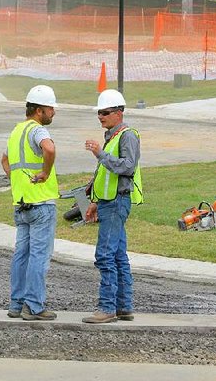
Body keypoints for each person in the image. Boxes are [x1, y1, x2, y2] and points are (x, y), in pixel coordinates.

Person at [82, 88, 143, 324]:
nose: (100, 116)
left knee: (105, 255)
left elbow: (127, 167)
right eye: (99, 112)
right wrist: (95, 201)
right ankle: (123, 307)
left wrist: (100, 154)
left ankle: (107, 308)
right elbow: (104, 175)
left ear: (119, 113)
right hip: (109, 202)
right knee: (118, 255)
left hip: (117, 202)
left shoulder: (128, 135)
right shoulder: (112, 136)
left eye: (105, 112)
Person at [1, 85, 59, 321]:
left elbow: (4, 161)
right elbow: (49, 148)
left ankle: (16, 304)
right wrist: (45, 172)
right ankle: (34, 306)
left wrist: (17, 182)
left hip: (21, 204)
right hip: (41, 204)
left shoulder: (16, 132)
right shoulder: (36, 130)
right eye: (50, 109)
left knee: (21, 255)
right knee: (38, 256)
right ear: (39, 110)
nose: (53, 113)